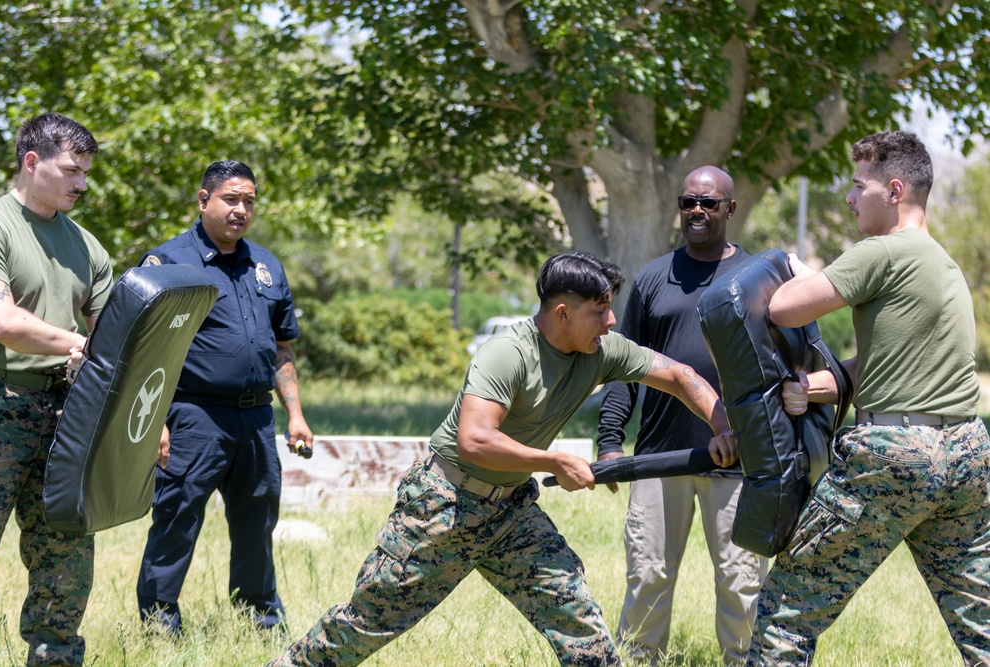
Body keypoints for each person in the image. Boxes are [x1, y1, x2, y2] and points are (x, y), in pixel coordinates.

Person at [267, 250, 739, 667]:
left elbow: (678, 375)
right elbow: (474, 439)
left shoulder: (600, 349)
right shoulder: (506, 354)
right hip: (444, 505)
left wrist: (722, 426)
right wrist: (553, 461)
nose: (612, 321)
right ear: (562, 312)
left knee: (578, 620)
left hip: (510, 510)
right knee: (369, 621)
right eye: (599, 312)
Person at [747, 131, 990, 666]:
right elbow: (887, 362)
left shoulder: (880, 252)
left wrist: (793, 269)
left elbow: (784, 309)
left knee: (789, 608)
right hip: (967, 456)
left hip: (892, 457)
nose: (851, 198)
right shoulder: (942, 264)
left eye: (860, 186)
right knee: (981, 618)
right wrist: (815, 386)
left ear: (895, 190)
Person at [597, 166, 768, 665]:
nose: (697, 210)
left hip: (738, 460)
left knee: (740, 581)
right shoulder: (654, 277)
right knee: (648, 575)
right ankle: (639, 660)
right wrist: (610, 440)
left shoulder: (758, 278)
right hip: (661, 456)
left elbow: (780, 367)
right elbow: (623, 363)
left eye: (709, 203)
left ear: (729, 210)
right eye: (688, 201)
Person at [135, 160, 313, 635]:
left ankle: (259, 621)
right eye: (231, 199)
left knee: (257, 524)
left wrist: (295, 414)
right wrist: (157, 423)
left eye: (249, 201)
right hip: (194, 416)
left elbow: (282, 348)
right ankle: (158, 626)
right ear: (203, 200)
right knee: (176, 520)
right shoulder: (168, 263)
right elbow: (143, 352)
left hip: (257, 419)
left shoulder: (266, 265)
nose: (241, 210)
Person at [0, 113, 113, 666]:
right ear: (32, 162)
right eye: (71, 170)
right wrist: (75, 343)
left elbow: (115, 345)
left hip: (67, 416)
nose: (81, 183)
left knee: (65, 559)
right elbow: (0, 321)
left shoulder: (89, 248)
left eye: (86, 172)